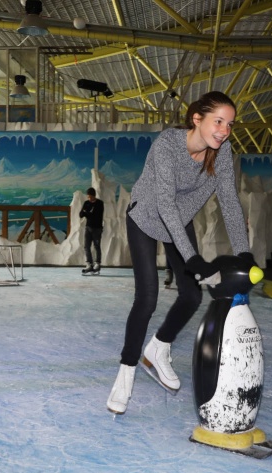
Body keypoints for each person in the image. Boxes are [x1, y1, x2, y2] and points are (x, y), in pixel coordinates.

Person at [107, 91, 254, 414]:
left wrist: (244, 253)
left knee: (192, 295)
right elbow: (165, 205)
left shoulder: (223, 151)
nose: (224, 131)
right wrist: (192, 259)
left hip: (179, 220)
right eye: (218, 121)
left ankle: (158, 349)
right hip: (146, 215)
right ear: (196, 119)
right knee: (147, 297)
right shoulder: (167, 145)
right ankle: (126, 373)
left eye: (229, 124)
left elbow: (229, 201)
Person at [79, 187, 104, 274]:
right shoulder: (86, 203)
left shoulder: (99, 203)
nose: (89, 198)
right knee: (86, 246)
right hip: (88, 227)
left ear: (94, 196)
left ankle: (97, 263)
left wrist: (87, 213)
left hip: (97, 228)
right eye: (88, 197)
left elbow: (95, 216)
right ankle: (89, 263)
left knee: (97, 246)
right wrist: (86, 213)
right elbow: (81, 214)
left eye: (90, 197)